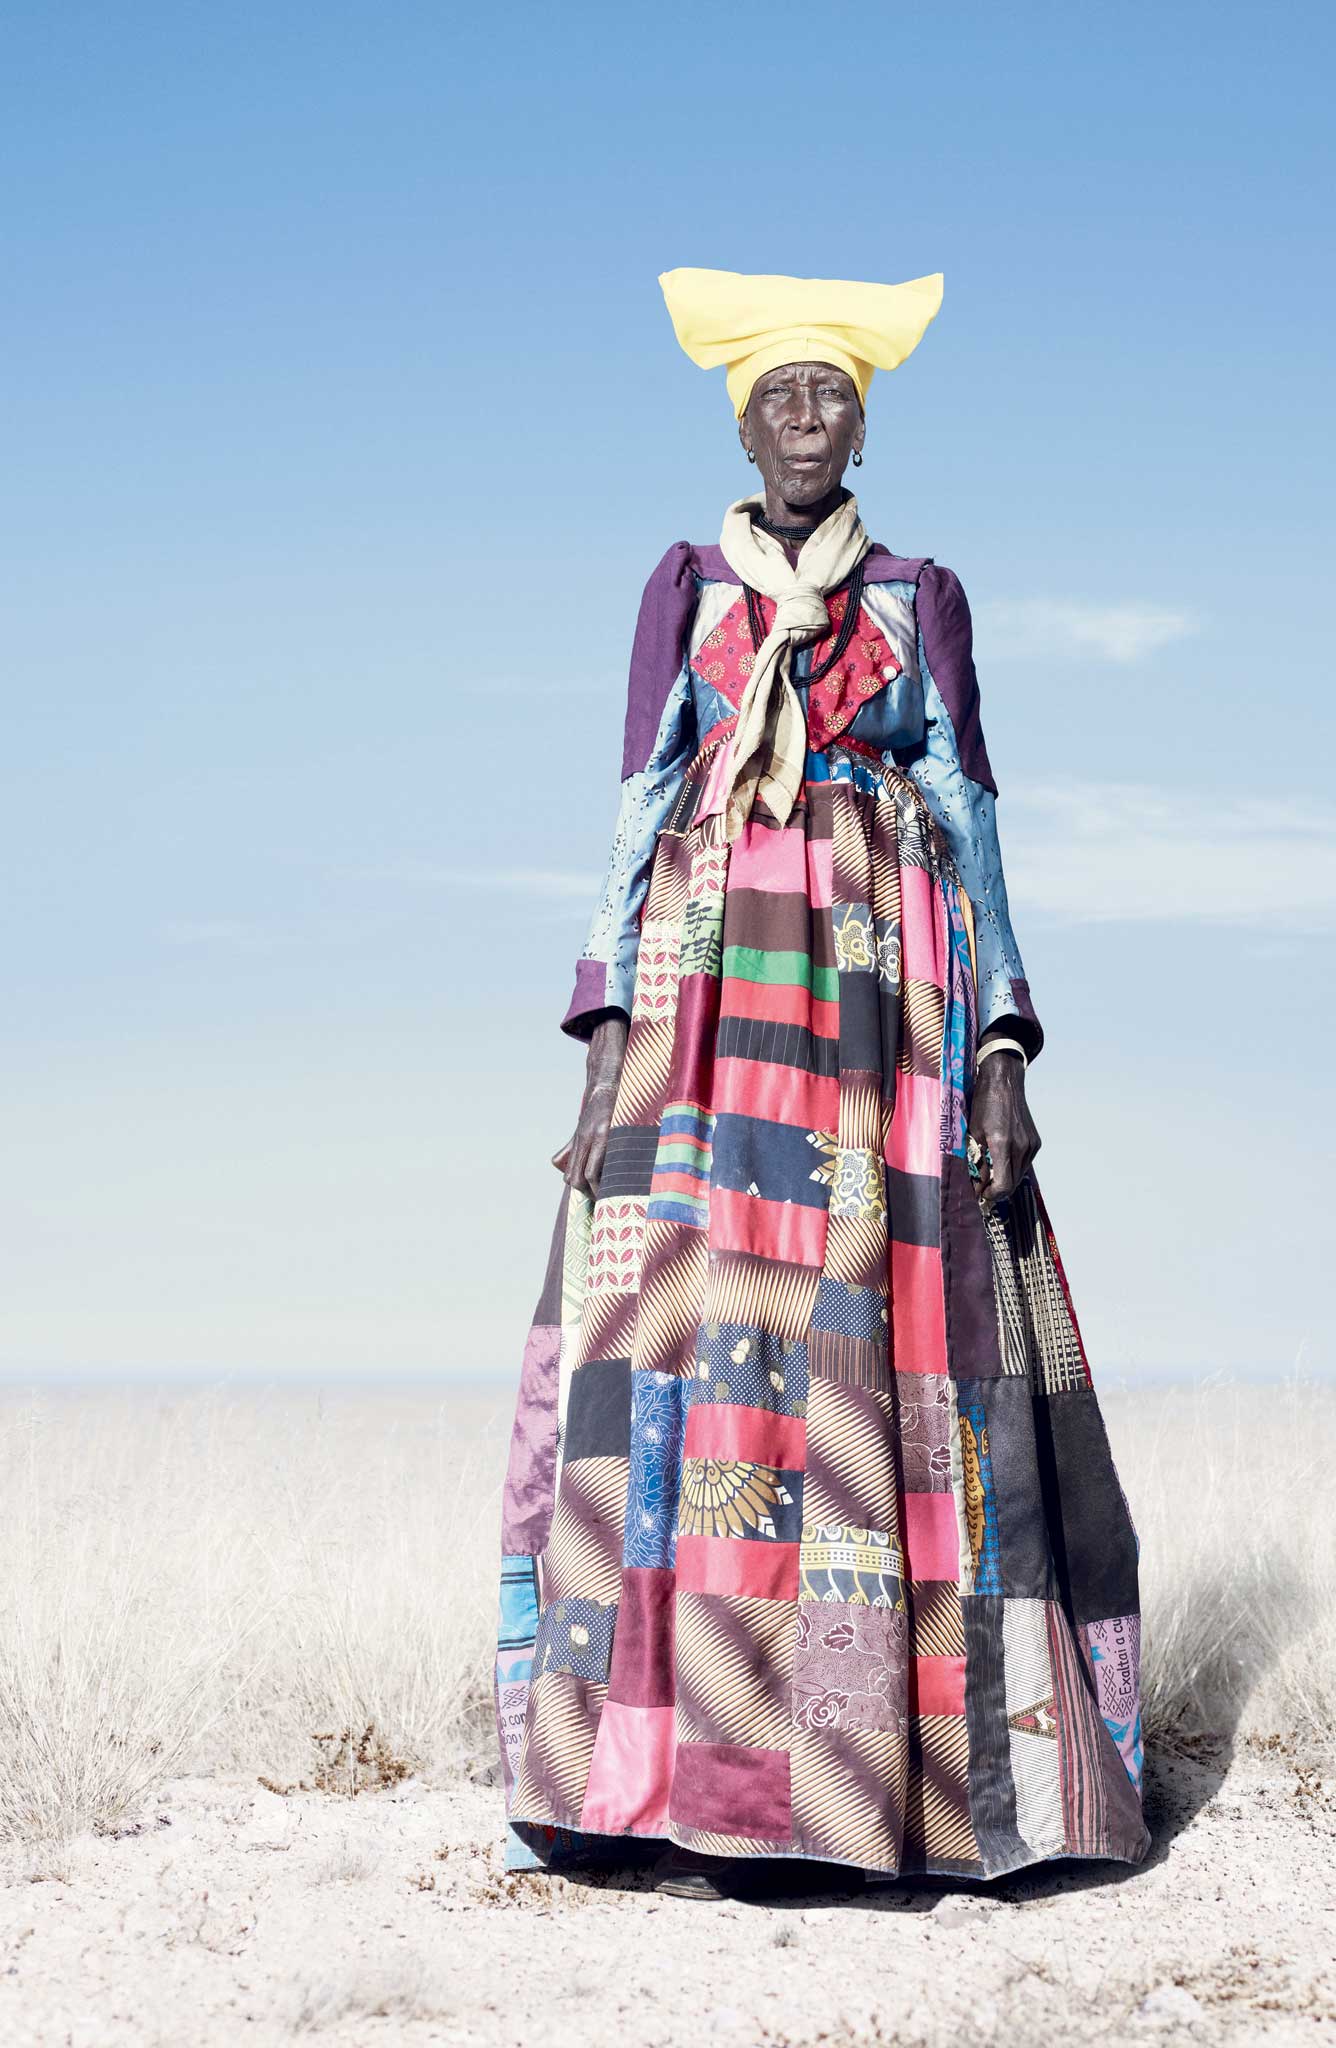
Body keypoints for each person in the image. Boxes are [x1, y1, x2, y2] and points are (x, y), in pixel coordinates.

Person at [493, 269, 1148, 1898]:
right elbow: (641, 801)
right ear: (738, 418)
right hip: (700, 1005)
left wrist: (999, 1040)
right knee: (679, 1357)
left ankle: (870, 1795)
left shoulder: (924, 596)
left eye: (833, 397)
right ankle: (653, 1783)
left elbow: (975, 808)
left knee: (878, 1356)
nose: (806, 420)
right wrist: (597, 1041)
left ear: (866, 420)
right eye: (780, 395)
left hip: (881, 997)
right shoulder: (684, 585)